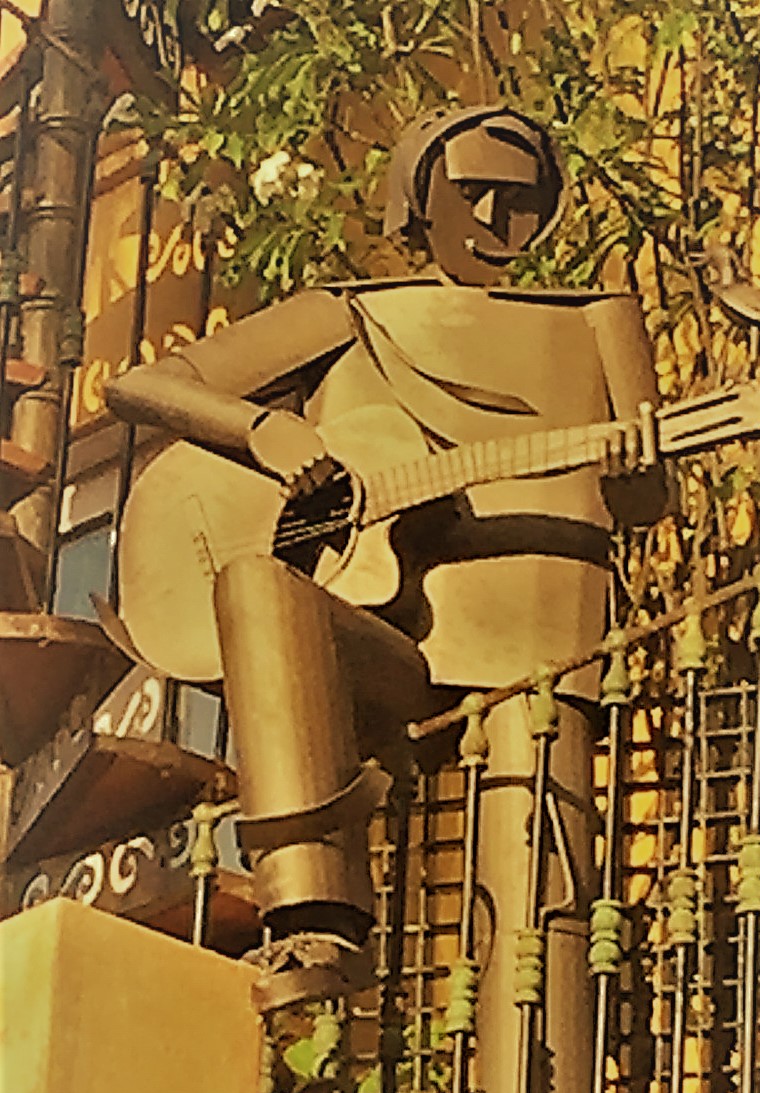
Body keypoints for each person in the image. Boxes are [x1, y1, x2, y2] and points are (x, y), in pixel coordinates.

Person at [106, 103, 662, 1006]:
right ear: (422, 194)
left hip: (538, 635)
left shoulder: (599, 319)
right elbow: (143, 385)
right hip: (384, 628)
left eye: (519, 200)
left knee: (539, 909)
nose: (494, 218)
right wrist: (266, 431)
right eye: (473, 192)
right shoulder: (353, 311)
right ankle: (313, 917)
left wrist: (639, 476)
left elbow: (647, 501)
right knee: (257, 583)